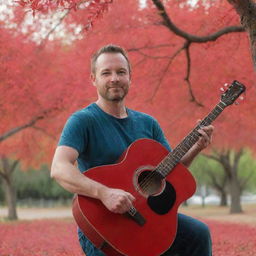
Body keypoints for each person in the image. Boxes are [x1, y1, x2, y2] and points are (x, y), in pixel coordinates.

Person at [51, 44, 214, 256]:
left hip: (144, 218)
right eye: (106, 73)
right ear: (93, 79)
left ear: (130, 77)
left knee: (198, 233)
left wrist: (195, 149)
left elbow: (169, 172)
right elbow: (59, 168)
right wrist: (104, 193)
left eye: (121, 72)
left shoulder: (148, 124)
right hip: (104, 225)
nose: (114, 78)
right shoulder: (83, 121)